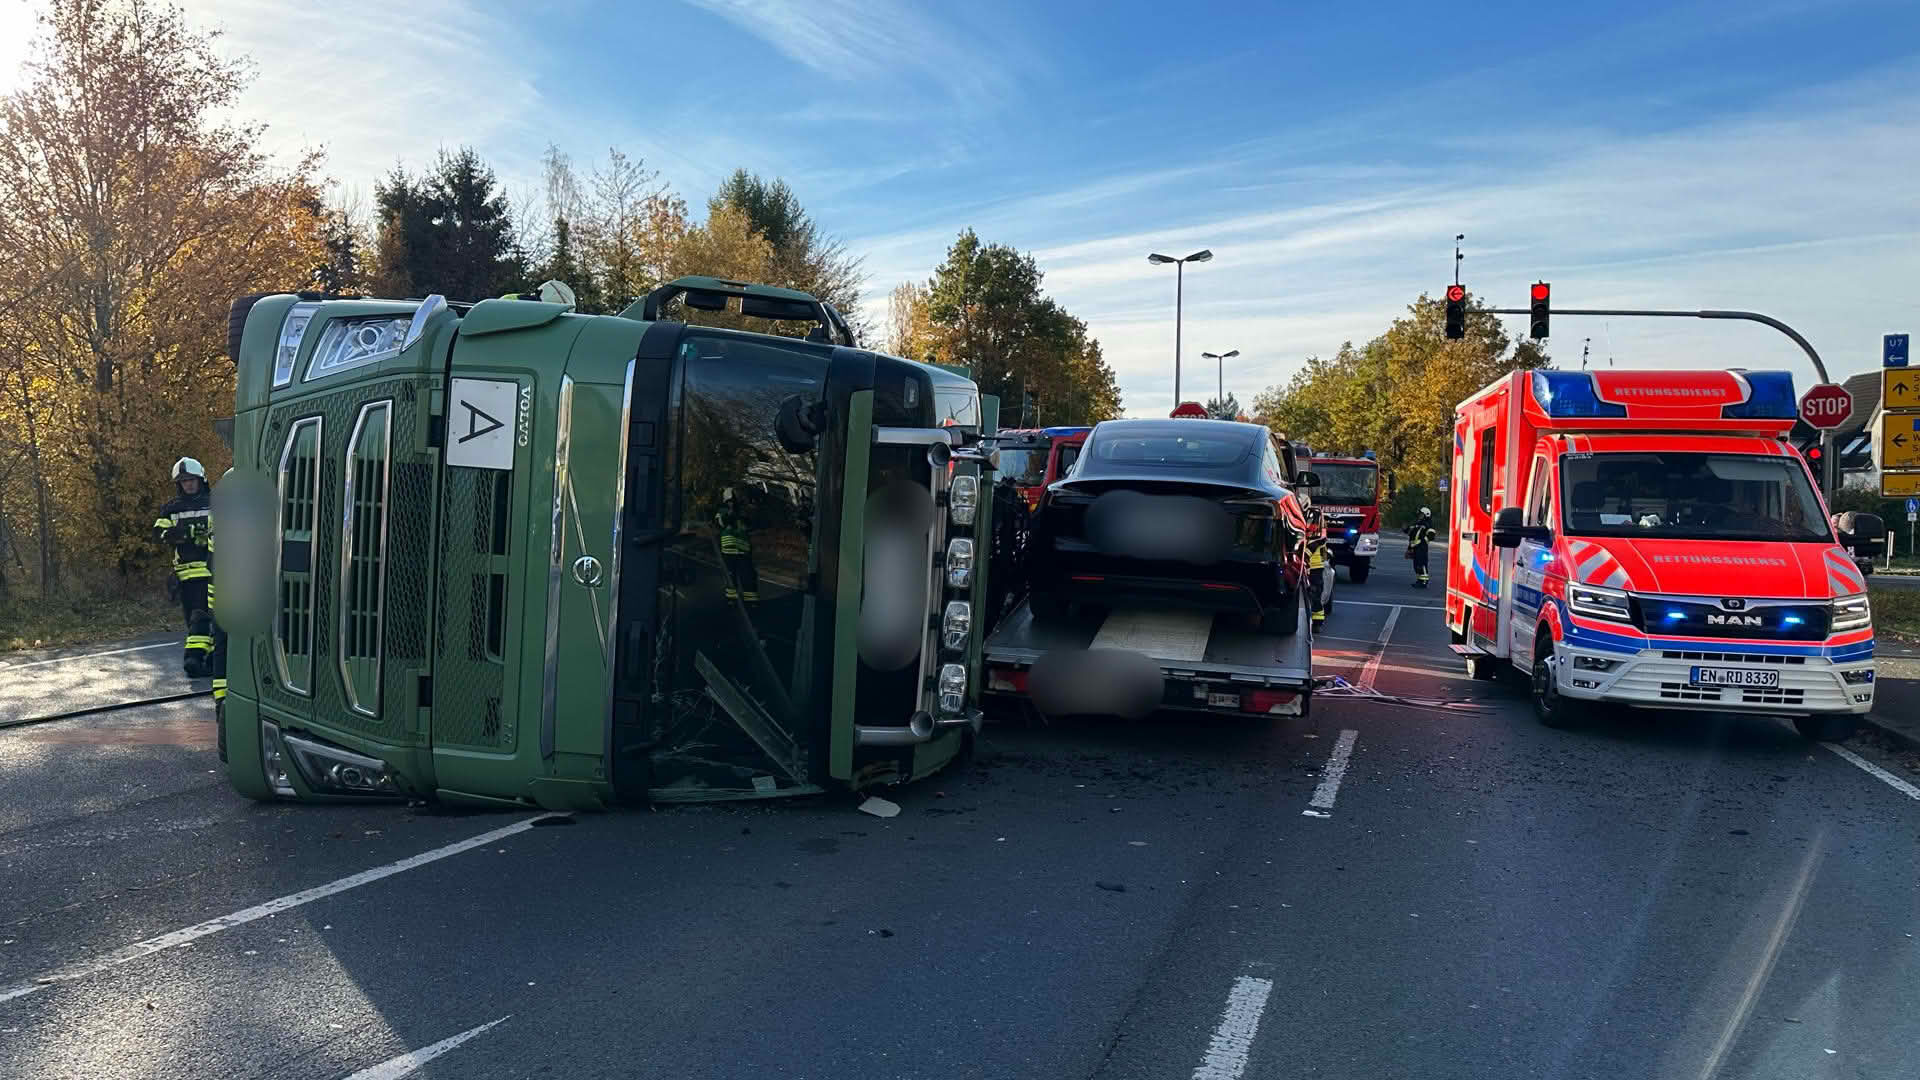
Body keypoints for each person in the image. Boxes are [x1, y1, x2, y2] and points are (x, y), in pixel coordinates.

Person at [153, 457, 215, 677]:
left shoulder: (215, 502)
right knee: (194, 619)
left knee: (203, 617)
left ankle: (194, 658)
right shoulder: (171, 508)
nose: (188, 484)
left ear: (201, 479)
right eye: (183, 481)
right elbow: (159, 533)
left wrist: (200, 535)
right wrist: (182, 534)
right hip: (185, 575)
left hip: (211, 572)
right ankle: (211, 660)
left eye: (191, 479)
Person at [714, 487, 759, 608]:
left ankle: (751, 601)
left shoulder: (743, 512)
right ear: (725, 501)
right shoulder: (722, 511)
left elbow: (752, 524)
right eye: (730, 501)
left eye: (734, 501)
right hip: (728, 550)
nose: (732, 503)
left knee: (748, 576)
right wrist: (729, 515)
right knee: (730, 576)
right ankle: (732, 599)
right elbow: (719, 523)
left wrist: (746, 516)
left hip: (743, 551)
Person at [1306, 510, 1331, 627]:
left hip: (1315, 567)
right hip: (1305, 566)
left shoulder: (1320, 533)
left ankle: (1317, 622)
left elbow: (1318, 543)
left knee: (1315, 594)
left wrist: (1306, 555)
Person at [1405, 507, 1437, 589]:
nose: (1420, 516)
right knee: (1416, 565)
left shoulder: (1428, 524)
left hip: (1421, 548)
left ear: (1426, 515)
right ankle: (1419, 580)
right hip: (1415, 547)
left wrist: (1423, 541)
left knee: (1422, 564)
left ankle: (1424, 582)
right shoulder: (1417, 524)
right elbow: (1411, 533)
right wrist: (1406, 529)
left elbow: (1431, 535)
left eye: (1421, 514)